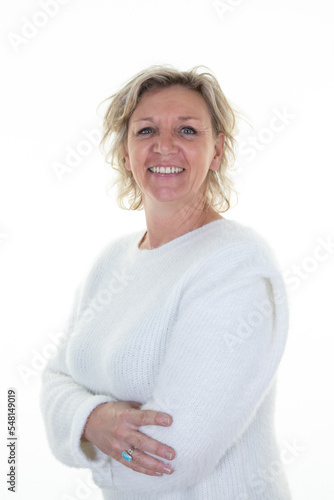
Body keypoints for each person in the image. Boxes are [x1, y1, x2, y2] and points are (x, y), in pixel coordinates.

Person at [40, 65, 291, 499]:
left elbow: (169, 458)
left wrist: (78, 431)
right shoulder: (113, 260)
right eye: (146, 130)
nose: (165, 145)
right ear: (124, 152)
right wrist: (95, 419)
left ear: (217, 152)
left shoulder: (236, 265)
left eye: (189, 131)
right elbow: (53, 381)